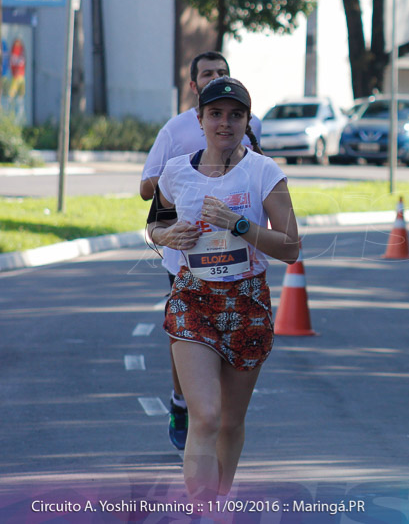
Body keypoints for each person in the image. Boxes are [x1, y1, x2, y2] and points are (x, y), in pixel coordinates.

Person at [147, 76, 299, 499]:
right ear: (200, 119)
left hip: (246, 302)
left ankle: (218, 501)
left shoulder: (264, 172)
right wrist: (165, 237)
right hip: (192, 297)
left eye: (235, 115)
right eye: (215, 114)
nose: (225, 123)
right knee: (207, 416)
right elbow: (152, 224)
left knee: (230, 422)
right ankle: (199, 509)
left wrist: (241, 226)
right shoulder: (177, 172)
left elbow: (291, 247)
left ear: (247, 121)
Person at [140, 51, 262, 450]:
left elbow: (263, 178)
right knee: (187, 341)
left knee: (227, 405)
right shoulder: (175, 132)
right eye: (208, 74)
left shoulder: (249, 127)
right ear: (194, 89)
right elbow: (149, 196)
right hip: (187, 264)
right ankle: (183, 404)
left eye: (223, 73)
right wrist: (185, 177)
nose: (224, 122)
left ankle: (214, 430)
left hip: (241, 275)